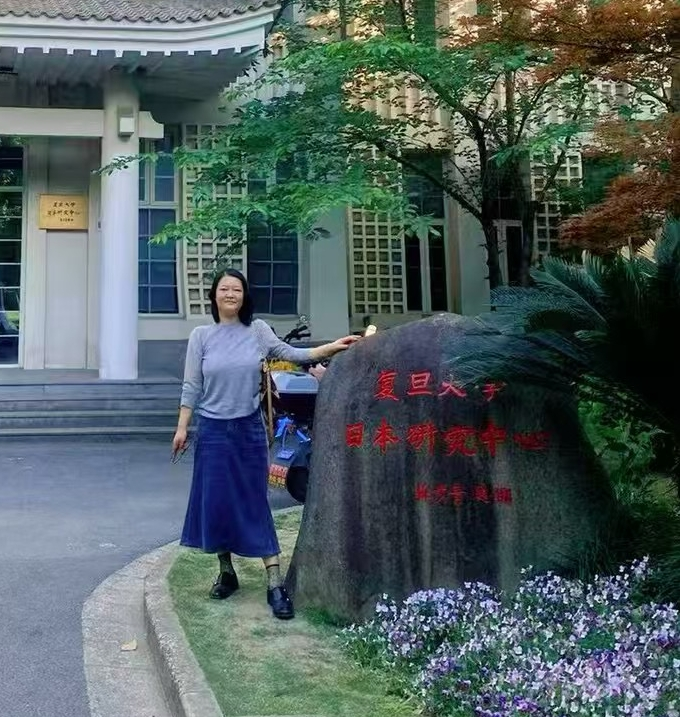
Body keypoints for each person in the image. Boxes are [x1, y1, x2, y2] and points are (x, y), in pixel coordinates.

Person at [172, 268, 359, 620]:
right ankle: (227, 572)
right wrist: (182, 428)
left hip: (248, 430)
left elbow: (294, 353)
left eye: (236, 289)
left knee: (254, 502)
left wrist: (333, 346)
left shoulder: (257, 331)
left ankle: (275, 583)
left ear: (244, 296)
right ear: (214, 296)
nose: (230, 294)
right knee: (217, 503)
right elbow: (191, 386)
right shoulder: (201, 336)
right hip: (212, 431)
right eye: (224, 289)